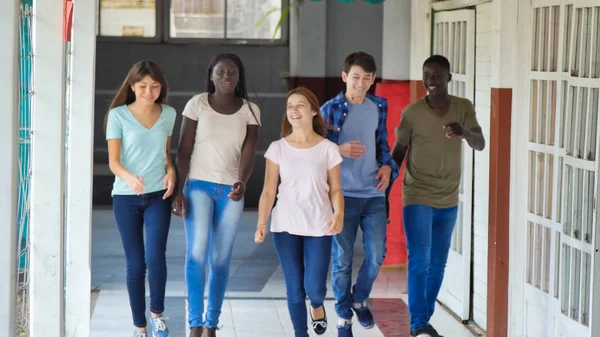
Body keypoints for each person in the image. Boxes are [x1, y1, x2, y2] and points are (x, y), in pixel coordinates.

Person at [391, 55, 485, 337]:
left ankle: (422, 319)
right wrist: (383, 189)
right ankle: (419, 324)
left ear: (448, 78)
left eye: (437, 75)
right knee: (419, 258)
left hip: (448, 198)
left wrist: (464, 132)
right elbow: (398, 152)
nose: (431, 81)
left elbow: (480, 143)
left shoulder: (463, 107)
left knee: (437, 263)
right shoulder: (412, 113)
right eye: (427, 75)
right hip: (417, 193)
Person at [172, 53, 260, 337]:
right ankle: (195, 324)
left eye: (232, 72)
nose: (226, 76)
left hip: (231, 192)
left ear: (239, 77)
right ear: (211, 75)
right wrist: (178, 190)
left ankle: (211, 324)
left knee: (221, 259)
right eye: (221, 72)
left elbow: (249, 152)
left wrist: (242, 182)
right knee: (197, 253)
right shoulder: (197, 104)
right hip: (197, 185)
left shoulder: (251, 110)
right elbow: (183, 151)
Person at [320, 51, 399, 337]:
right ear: (345, 77)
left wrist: (388, 168)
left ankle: (358, 298)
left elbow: (383, 147)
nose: (361, 83)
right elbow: (316, 150)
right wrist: (338, 150)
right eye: (355, 77)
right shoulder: (330, 108)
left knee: (377, 252)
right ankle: (343, 313)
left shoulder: (378, 106)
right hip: (342, 194)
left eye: (367, 78)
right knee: (342, 259)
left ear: (373, 79)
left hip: (373, 193)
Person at [255, 87, 344, 337]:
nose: (294, 110)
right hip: (285, 225)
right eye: (290, 106)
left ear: (314, 110)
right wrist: (262, 222)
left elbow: (336, 189)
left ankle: (317, 305)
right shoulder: (278, 148)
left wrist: (339, 214)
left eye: (300, 105)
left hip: (320, 225)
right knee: (294, 287)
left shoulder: (328, 149)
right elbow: (268, 191)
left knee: (314, 288)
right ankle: (300, 333)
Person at [105, 60, 177, 337]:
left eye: (155, 86)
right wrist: (129, 177)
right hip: (126, 197)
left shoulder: (169, 113)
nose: (149, 91)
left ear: (161, 88)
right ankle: (140, 326)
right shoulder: (118, 116)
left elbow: (166, 153)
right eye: (143, 86)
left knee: (156, 255)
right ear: (132, 86)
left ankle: (157, 315)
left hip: (159, 195)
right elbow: (113, 162)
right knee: (136, 263)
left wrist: (171, 171)